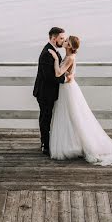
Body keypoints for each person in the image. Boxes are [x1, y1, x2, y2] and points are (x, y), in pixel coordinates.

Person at [47, 35, 112, 166]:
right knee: (68, 117)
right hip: (65, 88)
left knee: (76, 117)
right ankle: (71, 144)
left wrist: (56, 59)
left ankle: (85, 146)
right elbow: (67, 74)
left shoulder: (69, 58)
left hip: (68, 89)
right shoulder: (68, 57)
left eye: (67, 40)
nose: (64, 41)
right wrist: (67, 73)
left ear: (70, 46)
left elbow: (58, 74)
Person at [32, 27, 72, 155]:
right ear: (54, 38)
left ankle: (49, 142)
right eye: (61, 38)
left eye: (64, 39)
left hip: (50, 92)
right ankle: (45, 145)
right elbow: (49, 76)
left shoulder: (54, 51)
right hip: (44, 92)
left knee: (49, 117)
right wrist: (65, 80)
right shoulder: (46, 53)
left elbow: (58, 69)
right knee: (45, 118)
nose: (63, 40)